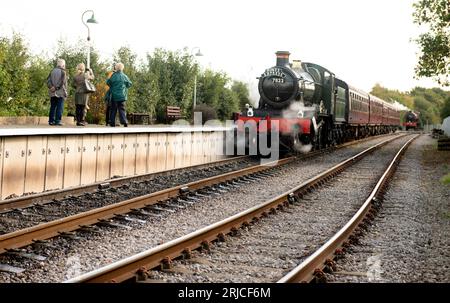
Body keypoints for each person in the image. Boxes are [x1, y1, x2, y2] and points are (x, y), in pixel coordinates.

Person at [106, 62, 132, 127]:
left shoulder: (113, 75)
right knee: (122, 109)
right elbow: (129, 84)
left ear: (116, 68)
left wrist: (112, 86)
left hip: (114, 96)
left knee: (113, 109)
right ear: (122, 68)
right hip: (122, 96)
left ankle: (112, 122)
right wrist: (125, 87)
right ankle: (125, 122)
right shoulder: (124, 76)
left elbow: (108, 82)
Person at [47, 58, 68, 126]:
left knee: (53, 106)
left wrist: (51, 87)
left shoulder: (52, 71)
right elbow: (62, 82)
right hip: (60, 92)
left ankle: (51, 121)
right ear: (62, 65)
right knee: (60, 107)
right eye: (64, 65)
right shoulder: (63, 72)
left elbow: (48, 81)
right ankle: (57, 121)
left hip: (52, 92)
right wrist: (56, 88)